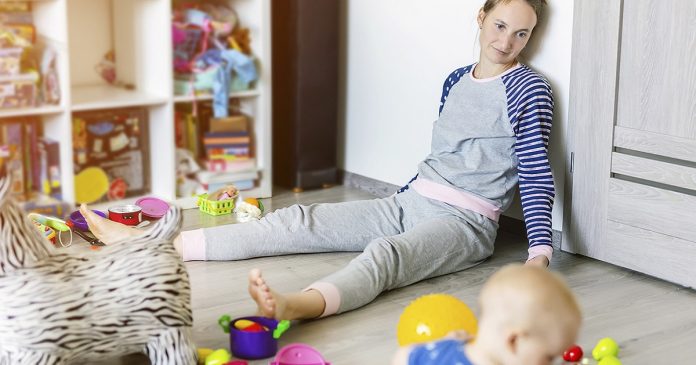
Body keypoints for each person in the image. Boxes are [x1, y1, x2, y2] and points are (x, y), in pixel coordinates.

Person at [81, 0, 554, 322]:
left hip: (465, 223)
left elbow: (535, 172)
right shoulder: (455, 79)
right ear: (481, 17)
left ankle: (298, 306)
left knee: (387, 256)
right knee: (298, 219)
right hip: (410, 202)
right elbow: (442, 155)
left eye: (521, 34)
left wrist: (539, 253)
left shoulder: (527, 88)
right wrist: (406, 195)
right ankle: (157, 243)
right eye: (500, 25)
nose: (507, 41)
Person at [391, 264, 582, 365]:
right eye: (548, 358)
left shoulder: (438, 350)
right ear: (513, 341)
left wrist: (445, 344)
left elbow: (404, 355)